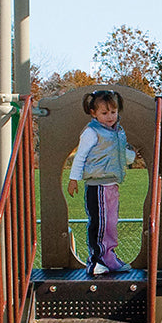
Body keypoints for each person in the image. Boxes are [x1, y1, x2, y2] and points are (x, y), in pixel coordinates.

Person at [66, 89, 135, 276]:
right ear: (93, 113)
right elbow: (80, 156)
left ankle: (109, 256)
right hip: (96, 186)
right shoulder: (91, 132)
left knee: (111, 223)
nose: (110, 116)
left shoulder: (117, 132)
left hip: (111, 184)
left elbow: (118, 153)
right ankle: (95, 260)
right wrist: (74, 179)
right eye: (104, 113)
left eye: (113, 112)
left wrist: (131, 156)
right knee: (100, 223)